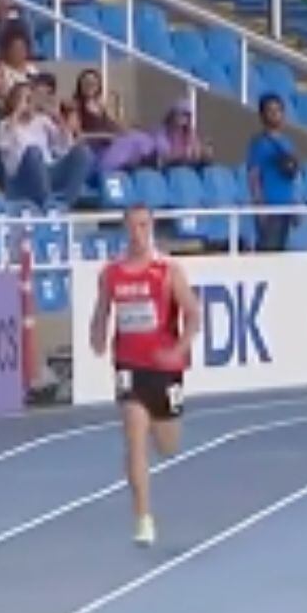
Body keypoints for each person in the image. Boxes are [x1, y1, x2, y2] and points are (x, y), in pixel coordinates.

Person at [88, 205, 198, 546]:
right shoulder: (112, 273)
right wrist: (97, 335)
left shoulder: (168, 271)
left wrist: (178, 349)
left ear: (150, 228)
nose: (138, 232)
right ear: (125, 229)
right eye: (133, 226)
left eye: (144, 226)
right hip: (129, 365)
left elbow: (193, 315)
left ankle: (157, 422)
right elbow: (103, 310)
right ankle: (143, 518)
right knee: (134, 437)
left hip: (165, 369)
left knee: (168, 446)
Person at [0, 81, 92, 206]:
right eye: (24, 99)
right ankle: (47, 203)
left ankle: (66, 203)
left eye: (30, 99)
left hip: (48, 170)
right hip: (20, 175)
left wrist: (58, 118)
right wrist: (17, 113)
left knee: (83, 152)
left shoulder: (42, 121)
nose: (28, 103)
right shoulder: (4, 124)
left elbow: (64, 147)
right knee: (33, 151)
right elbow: (2, 145)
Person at [245, 93, 298, 251]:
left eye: (278, 110)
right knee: (268, 251)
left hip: (286, 205)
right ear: (263, 115)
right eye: (271, 111)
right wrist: (259, 205)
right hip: (269, 206)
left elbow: (292, 176)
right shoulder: (259, 143)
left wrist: (295, 203)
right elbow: (253, 175)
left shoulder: (288, 142)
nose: (275, 114)